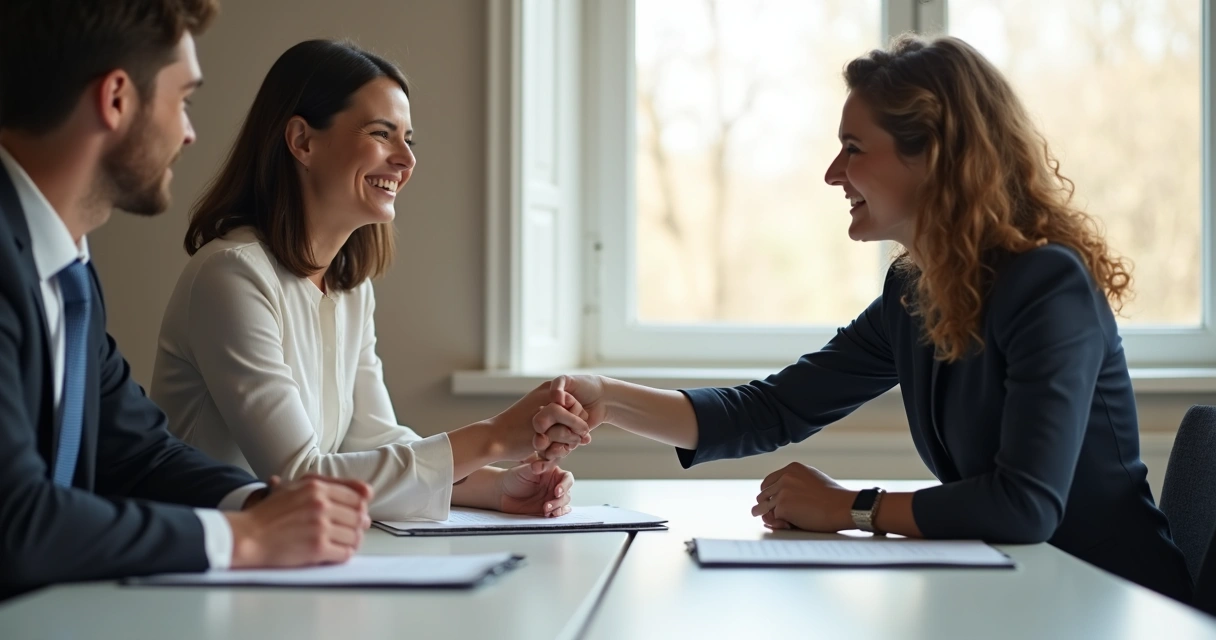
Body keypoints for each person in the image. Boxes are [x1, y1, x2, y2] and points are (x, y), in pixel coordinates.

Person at [531, 35, 1193, 601]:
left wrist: (851, 508)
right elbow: (774, 408)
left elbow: (1025, 505)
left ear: (933, 154)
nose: (831, 173)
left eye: (853, 147)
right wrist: (607, 399)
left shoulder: (1047, 285)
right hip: (1018, 591)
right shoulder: (915, 292)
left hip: (1112, 602)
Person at [0, 0, 376, 599]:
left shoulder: (66, 273)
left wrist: (269, 503)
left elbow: (139, 455)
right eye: (184, 101)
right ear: (117, 99)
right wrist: (242, 538)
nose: (190, 131)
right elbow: (15, 518)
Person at [149, 39, 590, 522]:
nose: (406, 160)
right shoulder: (231, 275)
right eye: (383, 134)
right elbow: (299, 477)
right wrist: (495, 435)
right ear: (302, 141)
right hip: (202, 564)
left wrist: (497, 487)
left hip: (287, 557)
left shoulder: (349, 287)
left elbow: (373, 441)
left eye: (408, 139)